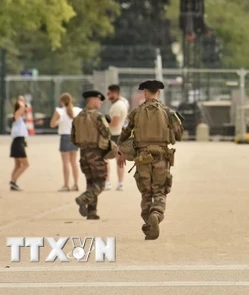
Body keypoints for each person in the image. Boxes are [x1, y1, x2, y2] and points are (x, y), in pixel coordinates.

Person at [117, 80, 183, 240]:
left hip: (142, 157)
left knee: (146, 193)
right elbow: (179, 134)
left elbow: (124, 133)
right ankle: (157, 214)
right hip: (162, 156)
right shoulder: (168, 112)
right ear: (158, 93)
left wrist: (121, 153)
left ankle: (149, 223)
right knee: (160, 191)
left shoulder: (135, 113)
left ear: (145, 93)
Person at [71, 90, 111, 220]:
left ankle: (92, 212)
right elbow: (106, 133)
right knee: (100, 182)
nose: (100, 103)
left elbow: (73, 138)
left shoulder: (77, 118)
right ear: (93, 100)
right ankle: (84, 198)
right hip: (96, 153)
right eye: (99, 100)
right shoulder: (98, 116)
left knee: (91, 182)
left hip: (83, 153)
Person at [50, 93, 82, 192]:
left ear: (62, 102)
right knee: (74, 162)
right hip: (74, 137)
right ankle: (76, 184)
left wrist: (59, 122)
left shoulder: (59, 111)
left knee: (65, 163)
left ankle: (66, 184)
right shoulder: (77, 110)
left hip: (65, 137)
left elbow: (52, 124)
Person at [105, 84, 129, 191]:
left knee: (105, 159)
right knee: (119, 160)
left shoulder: (116, 106)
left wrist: (103, 123)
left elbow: (114, 123)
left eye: (109, 93)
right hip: (121, 134)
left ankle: (107, 182)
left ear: (114, 93)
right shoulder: (123, 102)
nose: (107, 96)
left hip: (114, 135)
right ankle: (120, 183)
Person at [9, 96, 30, 191]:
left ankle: (13, 183)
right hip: (17, 143)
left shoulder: (21, 119)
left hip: (19, 142)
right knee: (26, 164)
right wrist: (21, 100)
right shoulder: (16, 116)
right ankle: (13, 181)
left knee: (17, 165)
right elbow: (21, 107)